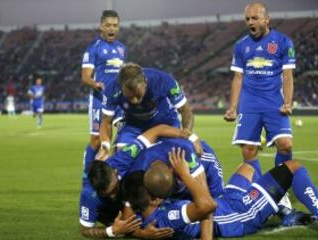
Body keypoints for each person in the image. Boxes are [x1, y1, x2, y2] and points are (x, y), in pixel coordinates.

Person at [123, 148, 318, 239]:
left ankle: (279, 207)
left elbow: (128, 224)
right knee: (293, 167)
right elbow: (207, 207)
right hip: (237, 215)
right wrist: (185, 175)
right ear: (154, 198)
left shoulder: (142, 212)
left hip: (224, 202)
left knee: (247, 167)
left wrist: (139, 233)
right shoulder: (166, 218)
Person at [223, 2, 295, 210]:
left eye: (254, 18)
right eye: (247, 19)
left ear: (266, 19)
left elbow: (288, 75)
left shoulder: (283, 42)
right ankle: (266, 191)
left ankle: (279, 188)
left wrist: (288, 101)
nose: (250, 22)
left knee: (286, 145)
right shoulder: (241, 45)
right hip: (249, 103)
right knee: (248, 150)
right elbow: (238, 78)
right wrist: (232, 107)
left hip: (274, 101)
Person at [80, 124, 186, 238]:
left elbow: (157, 130)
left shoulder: (123, 158)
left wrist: (190, 137)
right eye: (107, 194)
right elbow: (86, 230)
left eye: (114, 189)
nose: (113, 196)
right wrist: (112, 230)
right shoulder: (88, 195)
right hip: (110, 212)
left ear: (116, 172)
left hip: (131, 197)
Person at [99, 62, 194, 159]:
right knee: (123, 158)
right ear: (121, 87)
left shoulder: (162, 80)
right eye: (129, 96)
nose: (135, 101)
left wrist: (187, 132)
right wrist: (105, 146)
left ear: (145, 82)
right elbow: (106, 121)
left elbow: (185, 109)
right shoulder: (112, 89)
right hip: (133, 125)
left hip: (166, 122)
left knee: (175, 157)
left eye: (138, 94)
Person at [81, 10, 127, 183]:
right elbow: (85, 76)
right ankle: (86, 178)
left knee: (122, 136)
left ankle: (116, 177)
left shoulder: (122, 48)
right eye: (108, 25)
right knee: (96, 140)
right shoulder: (94, 47)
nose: (111, 28)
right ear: (101, 26)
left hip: (119, 101)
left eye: (115, 25)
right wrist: (96, 84)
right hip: (100, 100)